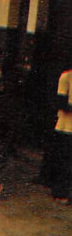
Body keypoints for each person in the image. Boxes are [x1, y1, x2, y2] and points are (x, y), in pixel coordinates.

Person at [52, 65, 72, 204]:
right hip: (66, 127)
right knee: (63, 162)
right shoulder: (66, 77)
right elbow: (61, 102)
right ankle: (59, 191)